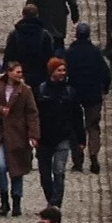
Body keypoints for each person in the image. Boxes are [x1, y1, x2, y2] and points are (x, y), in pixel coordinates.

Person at [0, 61, 40, 217]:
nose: (20, 74)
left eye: (20, 72)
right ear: (8, 72)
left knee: (17, 170)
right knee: (0, 166)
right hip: (1, 136)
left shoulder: (25, 91)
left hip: (19, 136)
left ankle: (16, 201)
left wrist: (33, 135)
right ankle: (4, 200)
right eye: (17, 72)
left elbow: (32, 113)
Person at [34, 66, 83, 210]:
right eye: (59, 70)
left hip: (63, 137)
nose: (62, 73)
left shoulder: (70, 91)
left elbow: (77, 116)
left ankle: (55, 203)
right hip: (43, 138)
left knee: (59, 170)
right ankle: (50, 199)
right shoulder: (40, 90)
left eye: (64, 70)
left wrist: (81, 139)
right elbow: (33, 115)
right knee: (45, 175)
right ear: (51, 72)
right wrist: (33, 134)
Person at [64, 23, 108, 173]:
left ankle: (77, 161)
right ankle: (94, 155)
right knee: (93, 126)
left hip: (75, 94)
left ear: (76, 35)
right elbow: (105, 72)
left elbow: (64, 73)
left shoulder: (70, 53)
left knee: (75, 127)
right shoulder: (95, 53)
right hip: (93, 94)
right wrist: (105, 88)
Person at [4, 8, 56, 82]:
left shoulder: (14, 34)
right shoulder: (45, 34)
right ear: (37, 15)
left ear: (23, 15)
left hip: (19, 75)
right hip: (40, 75)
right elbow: (50, 56)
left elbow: (8, 55)